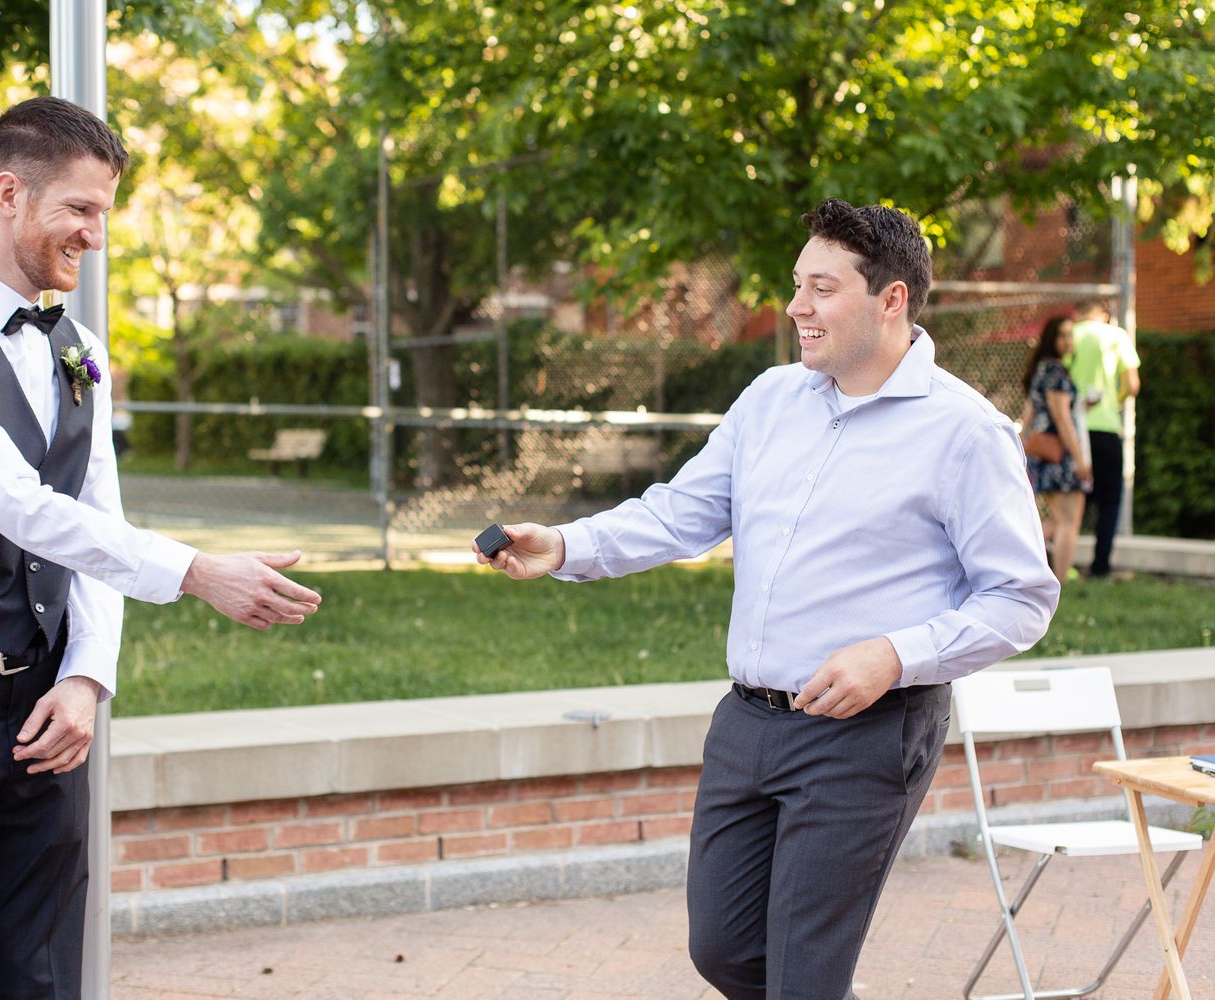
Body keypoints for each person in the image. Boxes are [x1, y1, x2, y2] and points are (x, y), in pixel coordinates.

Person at [476, 200, 1058, 999]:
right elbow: (679, 514)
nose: (795, 307)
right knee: (722, 949)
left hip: (865, 733)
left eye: (822, 288)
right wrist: (566, 545)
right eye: (796, 284)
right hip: (747, 723)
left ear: (891, 299)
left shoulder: (965, 432)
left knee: (804, 974)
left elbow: (1020, 598)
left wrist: (895, 655)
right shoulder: (771, 399)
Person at [0, 97, 322, 1000]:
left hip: (47, 704)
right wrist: (194, 571)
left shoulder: (80, 350)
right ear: (9, 193)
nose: (95, 236)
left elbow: (95, 519)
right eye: (80, 209)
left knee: (47, 973)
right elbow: (19, 506)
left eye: (103, 213)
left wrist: (86, 678)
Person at [1068, 298, 1140, 577]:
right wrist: (1114, 402)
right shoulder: (1116, 335)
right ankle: (1100, 567)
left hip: (1074, 429)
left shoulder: (1070, 334)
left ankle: (1060, 564)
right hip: (1107, 427)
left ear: (1079, 313)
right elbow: (1132, 385)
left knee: (1073, 500)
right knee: (1109, 501)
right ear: (1104, 315)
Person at [1020, 315, 1092, 583]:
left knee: (1059, 519)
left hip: (1042, 452)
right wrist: (1080, 459)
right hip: (1059, 455)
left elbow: (1029, 415)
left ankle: (1022, 560)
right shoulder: (1055, 372)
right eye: (1062, 335)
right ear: (1052, 339)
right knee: (1069, 521)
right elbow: (1062, 418)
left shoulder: (1041, 369)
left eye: (1071, 335)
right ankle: (1060, 582)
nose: (1068, 341)